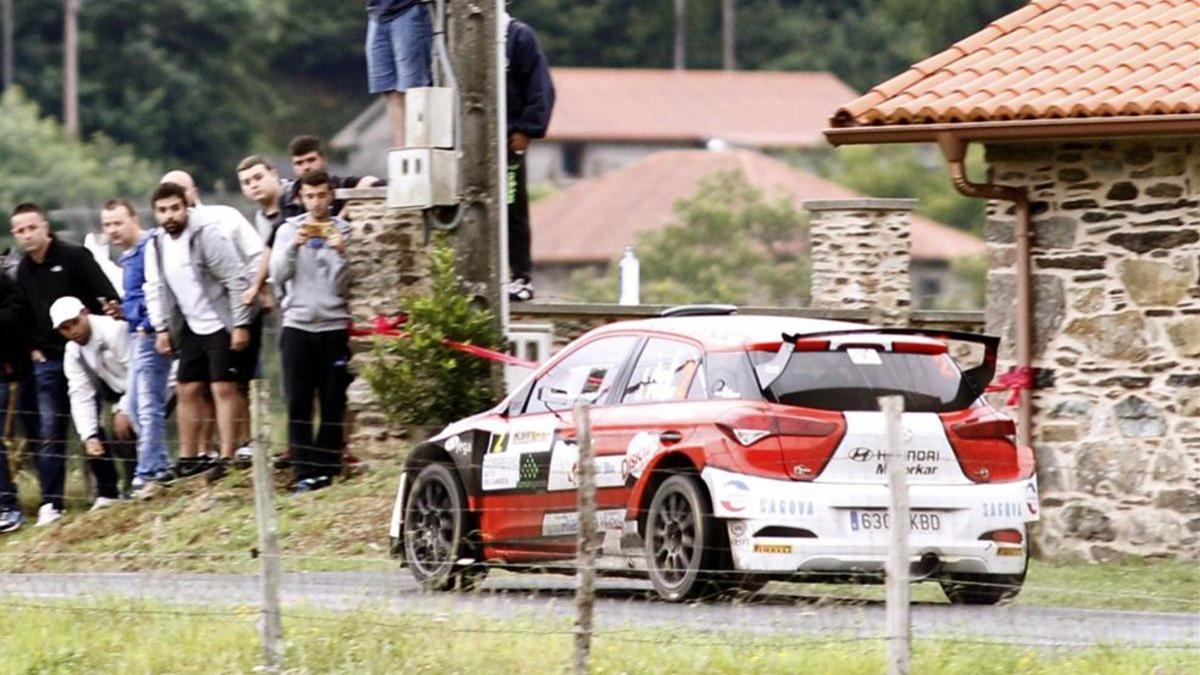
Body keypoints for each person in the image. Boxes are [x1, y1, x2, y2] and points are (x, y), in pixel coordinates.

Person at [11, 203, 121, 525]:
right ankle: (52, 502)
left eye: (32, 228)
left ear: (45, 227)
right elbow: (22, 316)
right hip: (48, 360)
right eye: (20, 230)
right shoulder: (22, 272)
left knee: (91, 422)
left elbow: (106, 297)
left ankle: (107, 490)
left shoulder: (74, 257)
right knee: (50, 429)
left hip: (86, 353)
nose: (28, 235)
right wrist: (33, 348)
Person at [143, 182, 253, 477]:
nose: (170, 216)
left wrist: (240, 324)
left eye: (175, 209)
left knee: (222, 387)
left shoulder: (206, 235)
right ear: (155, 214)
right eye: (162, 211)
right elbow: (161, 288)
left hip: (220, 321)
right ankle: (188, 457)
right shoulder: (157, 243)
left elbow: (234, 277)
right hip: (190, 324)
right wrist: (163, 329)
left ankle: (227, 457)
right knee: (187, 388)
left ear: (186, 207)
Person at [270, 171, 353, 493]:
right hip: (297, 325)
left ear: (331, 196)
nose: (317, 203)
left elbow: (341, 285)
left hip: (332, 325)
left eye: (322, 195)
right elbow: (278, 276)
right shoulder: (287, 231)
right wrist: (294, 245)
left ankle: (327, 468)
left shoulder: (344, 231)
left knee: (333, 400)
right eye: (310, 196)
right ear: (301, 198)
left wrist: (340, 251)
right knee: (298, 402)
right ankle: (303, 470)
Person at [101, 199, 174, 492]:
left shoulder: (150, 247)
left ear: (133, 218)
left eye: (118, 223)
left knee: (148, 405)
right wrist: (123, 311)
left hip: (151, 333)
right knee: (132, 407)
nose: (113, 230)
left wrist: (146, 322)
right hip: (136, 335)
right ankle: (160, 463)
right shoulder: (128, 256)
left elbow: (157, 293)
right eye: (107, 225)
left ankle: (150, 470)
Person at [51, 297, 133, 510]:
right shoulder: (73, 352)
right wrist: (89, 436)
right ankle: (114, 491)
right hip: (119, 394)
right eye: (64, 328)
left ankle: (147, 477)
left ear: (85, 313)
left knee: (124, 426)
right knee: (94, 431)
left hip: (149, 387)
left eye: (75, 322)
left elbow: (138, 372)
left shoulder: (114, 330)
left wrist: (126, 408)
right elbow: (80, 394)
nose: (72, 331)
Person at [504, 14, 556, 302]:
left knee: (513, 209)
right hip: (471, 144)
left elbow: (541, 87)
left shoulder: (518, 36)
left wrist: (528, 129)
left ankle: (520, 276)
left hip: (509, 142)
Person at [236, 155, 303, 309]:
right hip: (287, 299)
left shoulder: (296, 196)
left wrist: (256, 285)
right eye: (246, 182)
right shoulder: (261, 217)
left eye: (258, 178)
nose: (253, 185)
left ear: (273, 174)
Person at [365, 0, 433, 147]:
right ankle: (403, 153)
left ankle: (418, 149)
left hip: (408, 8)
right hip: (376, 13)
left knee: (413, 90)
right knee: (390, 91)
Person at [0, 271, 32, 532]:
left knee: (4, 440)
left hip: (6, 374)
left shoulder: (6, 284)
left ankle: (9, 506)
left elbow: (15, 319)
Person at [284, 136, 380, 217]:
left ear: (323, 159)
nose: (306, 167)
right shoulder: (288, 198)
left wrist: (344, 213)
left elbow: (370, 180)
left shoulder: (340, 184)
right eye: (299, 163)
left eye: (311, 160)